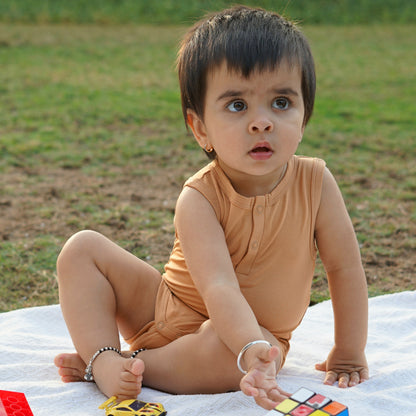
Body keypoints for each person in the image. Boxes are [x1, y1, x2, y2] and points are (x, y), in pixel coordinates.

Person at [54, 5, 369, 411]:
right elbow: (219, 286)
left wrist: (347, 350)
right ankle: (103, 357)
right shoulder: (199, 197)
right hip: (162, 307)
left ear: (304, 115)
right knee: (81, 249)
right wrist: (246, 343)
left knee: (244, 362)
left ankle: (129, 365)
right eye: (237, 106)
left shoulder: (317, 183)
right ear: (200, 127)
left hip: (248, 339)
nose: (262, 122)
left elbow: (345, 268)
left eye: (280, 102)